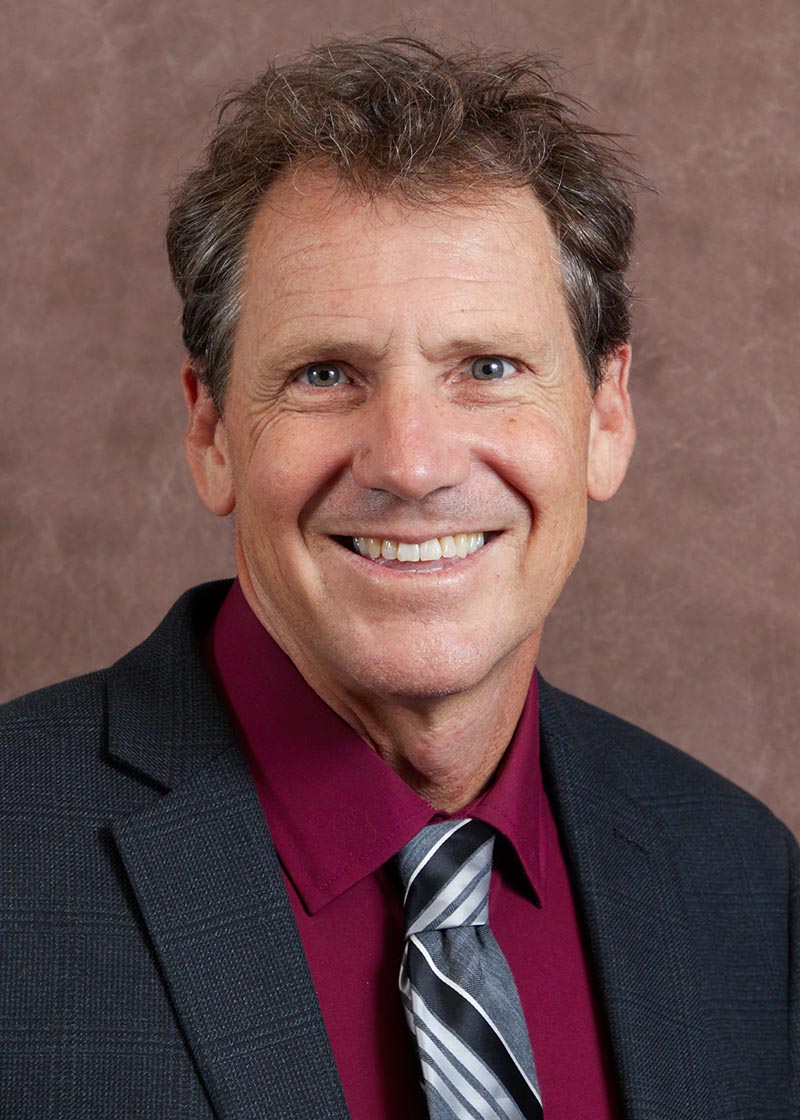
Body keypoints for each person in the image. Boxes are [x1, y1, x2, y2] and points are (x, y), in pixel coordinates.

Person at [2, 36, 797, 1120]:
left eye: (487, 368)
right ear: (210, 430)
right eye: (324, 373)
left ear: (605, 416)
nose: (411, 464)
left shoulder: (745, 888)